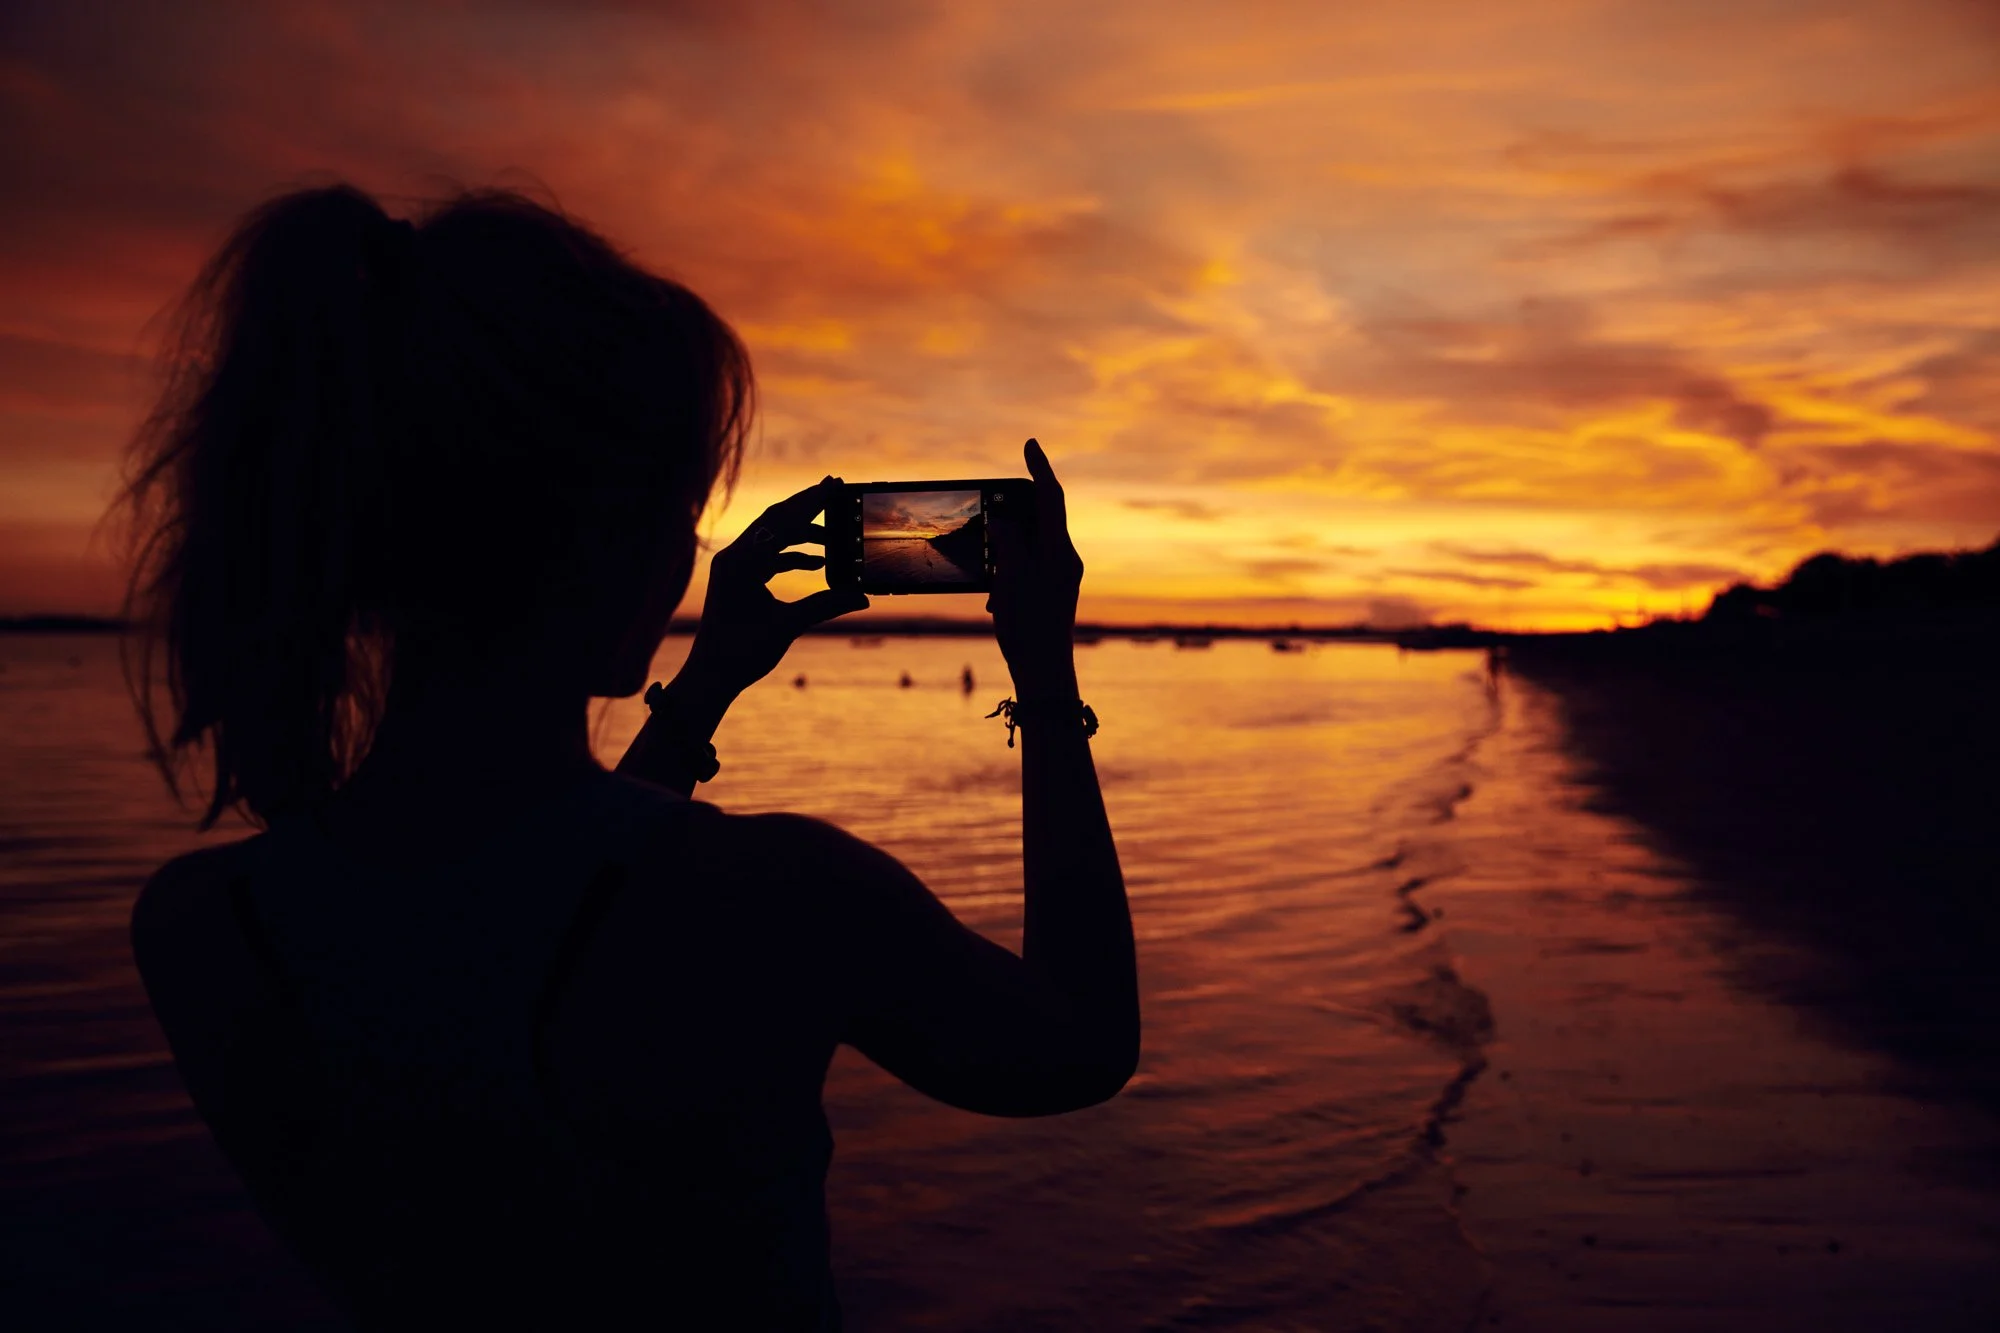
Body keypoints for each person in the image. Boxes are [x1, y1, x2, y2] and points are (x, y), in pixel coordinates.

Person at [121, 185, 1136, 1331]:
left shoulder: (206, 927)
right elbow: (1074, 1045)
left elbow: (542, 912)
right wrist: (1044, 679)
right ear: (605, 540)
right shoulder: (777, 899)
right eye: (682, 516)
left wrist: (707, 680)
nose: (687, 555)